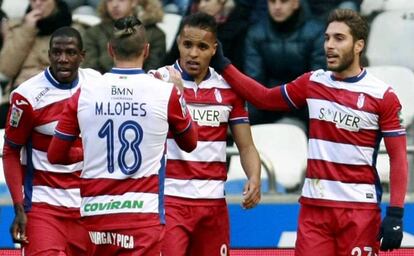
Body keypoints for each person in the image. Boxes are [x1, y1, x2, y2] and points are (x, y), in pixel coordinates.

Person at [211, 8, 408, 255]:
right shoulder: (313, 82)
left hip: (359, 210)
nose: (329, 45)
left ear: (359, 45)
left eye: (339, 38)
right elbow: (264, 98)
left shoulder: (382, 95)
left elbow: (398, 157)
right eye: (327, 38)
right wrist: (224, 65)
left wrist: (396, 213)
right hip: (315, 209)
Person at [47, 16, 197, 256]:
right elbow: (190, 143)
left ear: (110, 49)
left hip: (95, 213)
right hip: (142, 214)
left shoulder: (83, 94)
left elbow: (55, 155)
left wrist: (90, 151)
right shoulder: (165, 92)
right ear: (146, 51)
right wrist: (180, 94)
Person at [152, 12, 261, 256]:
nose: (193, 53)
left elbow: (246, 146)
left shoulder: (229, 88)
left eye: (202, 46)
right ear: (179, 42)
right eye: (187, 44)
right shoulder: (159, 80)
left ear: (214, 49)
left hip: (213, 204)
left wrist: (254, 176)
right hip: (171, 200)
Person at [2, 26, 101, 256]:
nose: (63, 59)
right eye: (56, 52)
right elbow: (10, 152)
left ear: (82, 56)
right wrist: (19, 207)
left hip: (88, 208)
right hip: (44, 209)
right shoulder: (26, 96)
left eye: (70, 52)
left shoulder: (97, 86)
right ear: (48, 55)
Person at [243, 0, 325, 127]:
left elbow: (316, 84)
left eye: (283, 1)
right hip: (267, 110)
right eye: (272, 2)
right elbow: (254, 83)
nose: (277, 7)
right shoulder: (255, 33)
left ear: (296, 3)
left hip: (303, 112)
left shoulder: (317, 32)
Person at [0, 0, 75, 128]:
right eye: (34, 0)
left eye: (44, 0)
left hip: (58, 93)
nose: (38, 4)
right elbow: (5, 69)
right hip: (21, 93)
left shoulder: (73, 29)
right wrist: (27, 31)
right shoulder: (18, 28)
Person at [82, 0, 166, 73]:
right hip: (104, 87)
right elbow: (90, 69)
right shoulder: (93, 33)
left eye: (121, 0)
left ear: (134, 2)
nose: (114, 5)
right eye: (110, 0)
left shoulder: (155, 34)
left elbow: (153, 70)